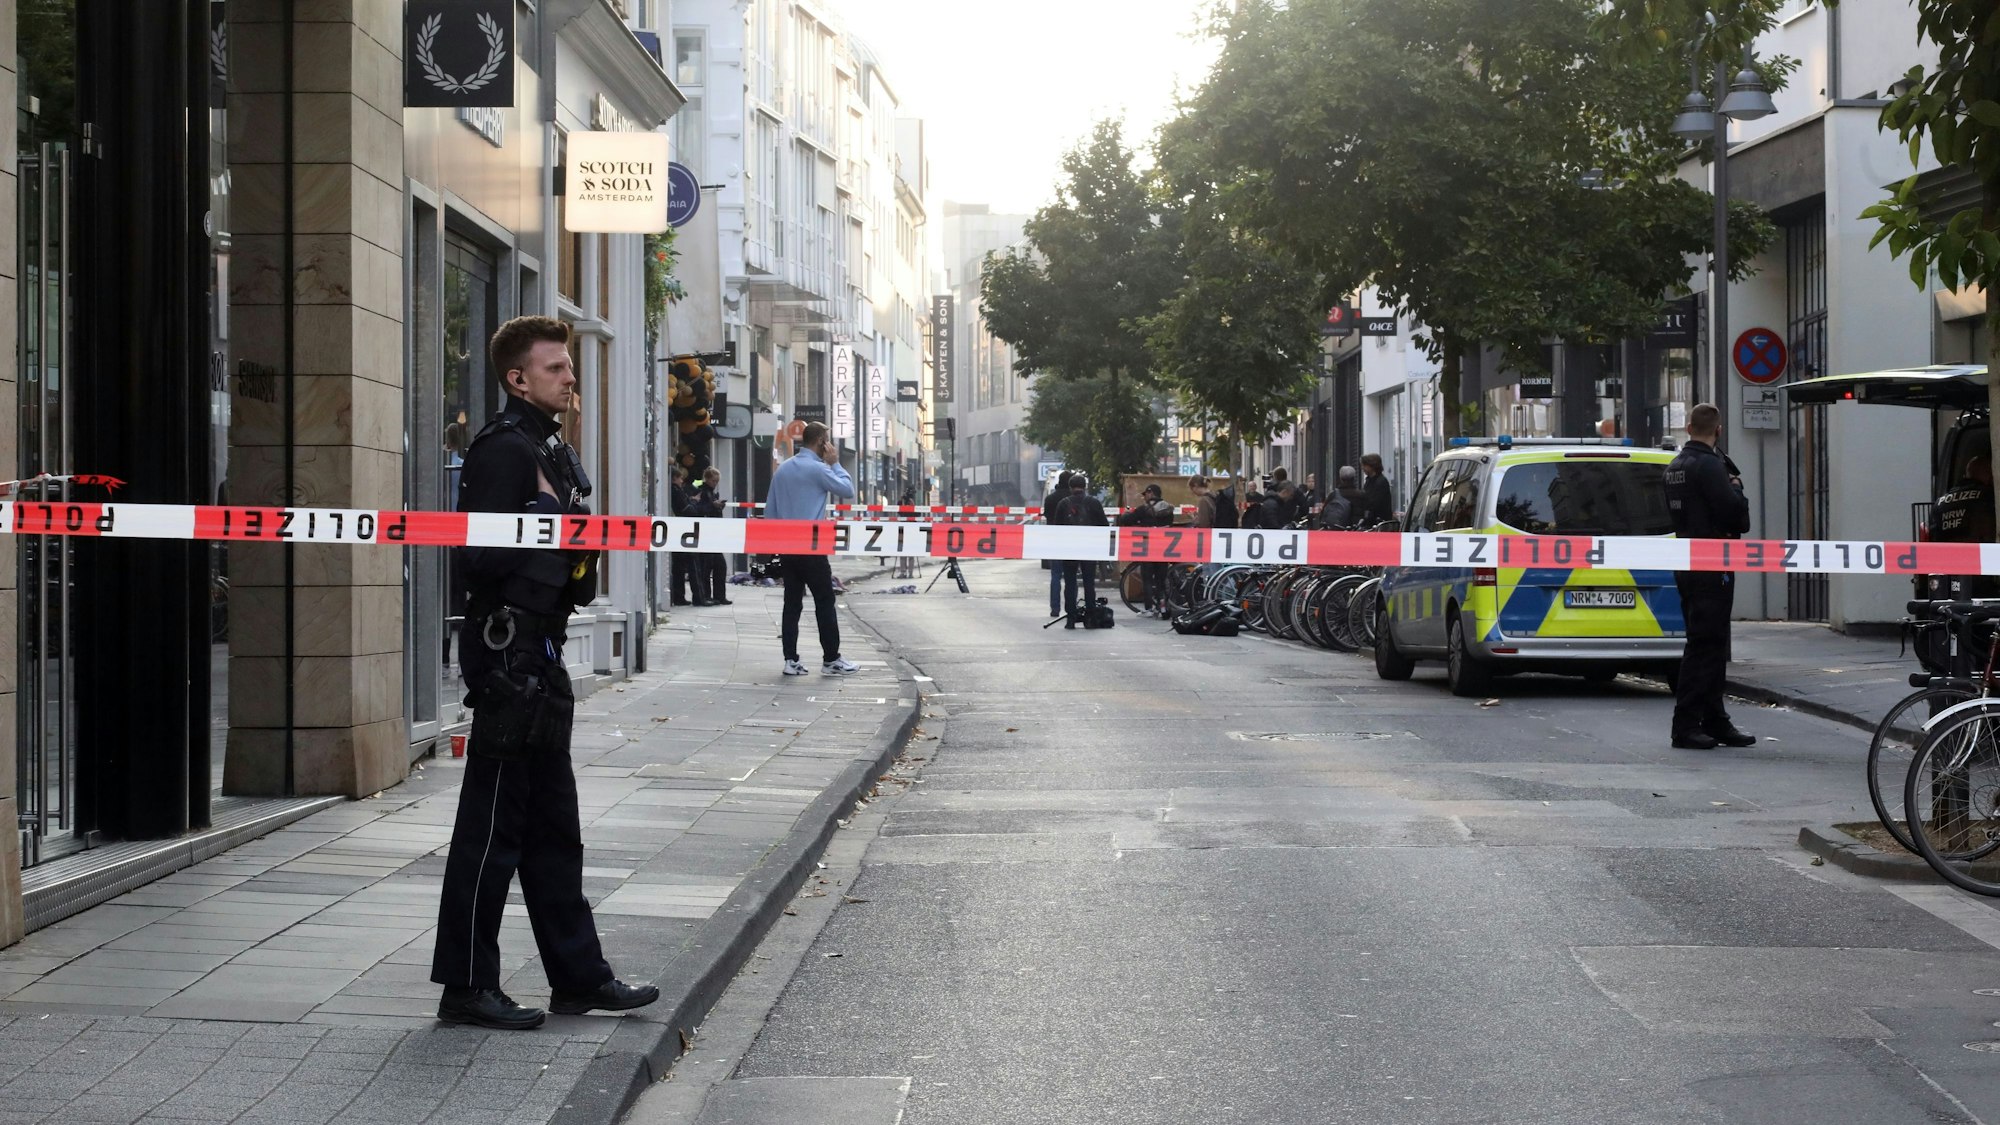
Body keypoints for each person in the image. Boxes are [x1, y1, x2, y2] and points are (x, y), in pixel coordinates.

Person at [432, 315, 659, 1031]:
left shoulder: (551, 450)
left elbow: (572, 566)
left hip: (545, 652)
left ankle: (579, 978)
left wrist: (563, 535)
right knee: (492, 828)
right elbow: (475, 561)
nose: (568, 377)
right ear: (517, 378)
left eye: (569, 366)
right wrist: (540, 523)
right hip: (509, 656)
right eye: (555, 368)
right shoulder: (503, 451)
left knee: (555, 829)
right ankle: (467, 986)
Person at [1664, 402, 1755, 751]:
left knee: (1710, 643)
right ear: (1718, 430)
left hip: (1686, 562)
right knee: (1705, 645)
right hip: (1712, 564)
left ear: (1688, 429)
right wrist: (1737, 488)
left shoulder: (1674, 467)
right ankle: (1686, 725)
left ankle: (1715, 720)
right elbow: (1736, 517)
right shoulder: (1710, 467)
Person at [767, 421, 859, 675]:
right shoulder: (819, 469)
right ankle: (831, 659)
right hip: (812, 546)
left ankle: (790, 660)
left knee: (792, 604)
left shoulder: (783, 470)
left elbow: (770, 513)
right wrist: (835, 463)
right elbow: (847, 490)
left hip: (787, 547)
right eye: (827, 441)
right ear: (821, 442)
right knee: (824, 601)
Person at [1929, 451, 1997, 597]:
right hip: (1984, 573)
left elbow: (1933, 540)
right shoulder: (1989, 497)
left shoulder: (1940, 503)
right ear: (1990, 474)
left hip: (1946, 577)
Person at [1054, 474, 1108, 627]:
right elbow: (1104, 526)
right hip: (1089, 547)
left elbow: (1056, 528)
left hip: (1069, 547)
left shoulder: (1063, 504)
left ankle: (1071, 618)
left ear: (1071, 488)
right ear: (1085, 487)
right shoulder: (1094, 502)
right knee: (1089, 582)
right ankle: (1090, 618)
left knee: (1070, 582)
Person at [1116, 483, 1176, 615]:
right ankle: (1163, 606)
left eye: (1146, 494)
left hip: (1147, 548)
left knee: (1147, 578)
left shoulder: (1143, 509)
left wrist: (1127, 513)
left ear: (1151, 493)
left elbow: (1127, 520)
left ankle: (1149, 608)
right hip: (1164, 548)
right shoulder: (1169, 508)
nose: (1144, 497)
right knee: (1161, 579)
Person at [694, 467, 732, 606]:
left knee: (719, 566)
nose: (715, 483)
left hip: (713, 533)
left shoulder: (712, 493)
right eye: (713, 480)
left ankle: (719, 595)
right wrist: (712, 505)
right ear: (707, 479)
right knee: (707, 566)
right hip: (705, 534)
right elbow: (699, 510)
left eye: (717, 481)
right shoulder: (702, 492)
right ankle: (707, 595)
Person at [1044, 471, 1073, 618]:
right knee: (1070, 576)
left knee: (1055, 575)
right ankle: (1070, 608)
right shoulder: (1072, 500)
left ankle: (1055, 608)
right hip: (1071, 540)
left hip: (1054, 539)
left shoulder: (1050, 499)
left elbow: (1047, 516)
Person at [669, 467, 696, 606]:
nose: (681, 481)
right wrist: (694, 503)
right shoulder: (676, 491)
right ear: (674, 478)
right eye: (680, 478)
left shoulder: (676, 491)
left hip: (679, 531)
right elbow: (686, 509)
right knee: (679, 567)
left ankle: (678, 596)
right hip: (679, 532)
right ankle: (679, 597)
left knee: (679, 566)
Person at [1355, 454, 1394, 527]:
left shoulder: (1381, 482)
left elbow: (1374, 503)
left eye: (1364, 465)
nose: (1362, 468)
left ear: (1371, 466)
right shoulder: (1369, 480)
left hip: (1378, 522)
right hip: (1371, 521)